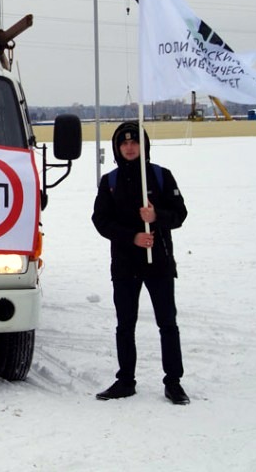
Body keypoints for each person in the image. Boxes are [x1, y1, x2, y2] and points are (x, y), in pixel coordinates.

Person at [91, 121, 190, 405]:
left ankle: (173, 381)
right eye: (124, 143)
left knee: (167, 323)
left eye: (135, 142)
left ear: (143, 146)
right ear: (117, 148)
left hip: (158, 262)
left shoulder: (161, 176)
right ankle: (125, 380)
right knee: (125, 324)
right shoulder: (109, 182)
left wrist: (156, 216)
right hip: (125, 264)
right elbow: (100, 221)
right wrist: (132, 236)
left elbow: (180, 213)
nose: (130, 147)